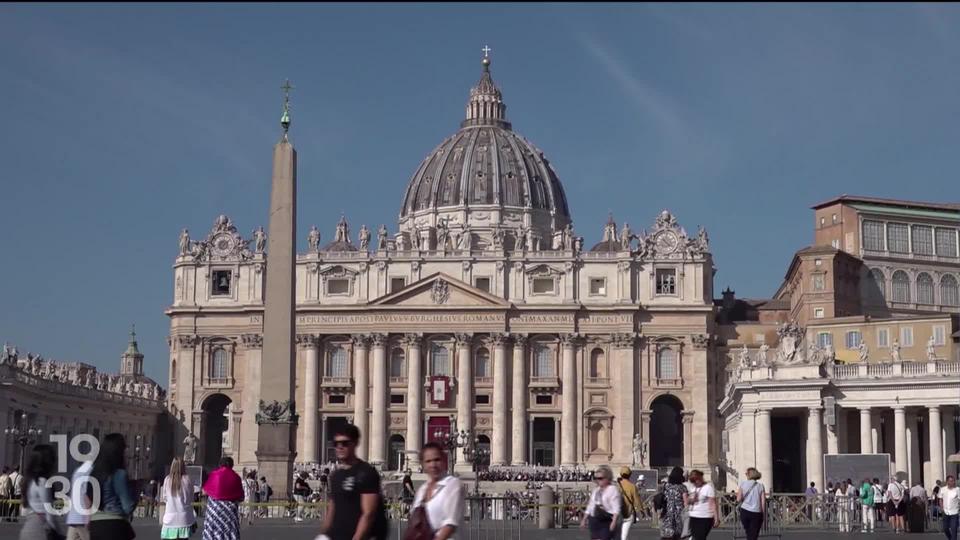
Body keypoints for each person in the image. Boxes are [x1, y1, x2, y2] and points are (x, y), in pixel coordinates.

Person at [319, 424, 388, 540]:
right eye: (336, 444)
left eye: (345, 443)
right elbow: (332, 508)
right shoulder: (336, 475)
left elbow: (368, 513)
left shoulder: (366, 473)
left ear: (355, 443)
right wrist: (323, 534)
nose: (339, 447)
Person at [405, 442, 464, 540]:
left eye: (437, 460)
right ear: (423, 465)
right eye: (428, 461)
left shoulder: (452, 485)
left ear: (443, 461)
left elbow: (450, 524)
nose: (433, 465)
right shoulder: (422, 490)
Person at [88, 433, 137, 540]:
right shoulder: (119, 474)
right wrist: (135, 491)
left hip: (95, 525)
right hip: (114, 525)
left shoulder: (94, 473)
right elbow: (128, 506)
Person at [19, 444, 66, 540]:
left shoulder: (29, 481)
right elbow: (49, 515)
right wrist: (59, 534)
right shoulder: (42, 482)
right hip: (40, 531)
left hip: (28, 528)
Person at [201, 456, 244, 540]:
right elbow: (241, 497)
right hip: (229, 514)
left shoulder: (214, 474)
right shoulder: (236, 477)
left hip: (214, 512)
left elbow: (204, 491)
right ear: (232, 465)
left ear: (220, 464)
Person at [580, 465, 621, 540]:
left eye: (600, 478)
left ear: (607, 479)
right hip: (594, 520)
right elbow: (590, 506)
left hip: (606, 520)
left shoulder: (612, 490)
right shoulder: (596, 490)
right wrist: (584, 519)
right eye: (596, 478)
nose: (598, 480)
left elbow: (616, 508)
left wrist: (614, 521)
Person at [160, 457, 197, 540]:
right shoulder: (188, 479)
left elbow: (165, 498)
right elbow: (191, 498)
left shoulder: (167, 479)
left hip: (170, 518)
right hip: (184, 518)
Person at [65, 458, 94, 540]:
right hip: (82, 517)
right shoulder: (89, 470)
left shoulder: (79, 470)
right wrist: (88, 517)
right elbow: (86, 495)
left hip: (74, 517)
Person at [686, 469, 718, 540]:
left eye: (695, 481)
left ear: (700, 478)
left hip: (705, 517)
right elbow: (687, 501)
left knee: (700, 537)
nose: (694, 483)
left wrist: (716, 518)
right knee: (695, 537)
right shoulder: (693, 488)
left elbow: (713, 504)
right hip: (693, 516)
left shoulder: (708, 488)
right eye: (692, 481)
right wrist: (691, 499)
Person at [736, 467, 766, 540]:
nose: (746, 475)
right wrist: (763, 514)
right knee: (753, 535)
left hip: (744, 511)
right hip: (756, 512)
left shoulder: (743, 484)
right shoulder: (760, 486)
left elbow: (738, 499)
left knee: (749, 533)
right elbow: (763, 502)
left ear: (749, 475)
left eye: (746, 474)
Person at [658, 466, 686, 540]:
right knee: (677, 535)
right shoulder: (682, 487)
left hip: (667, 512)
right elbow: (686, 502)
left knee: (667, 535)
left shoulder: (666, 486)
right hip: (679, 514)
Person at [615, 467, 640, 540]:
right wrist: (642, 510)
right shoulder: (633, 486)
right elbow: (637, 500)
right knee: (624, 536)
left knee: (621, 536)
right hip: (628, 514)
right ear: (630, 475)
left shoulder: (616, 486)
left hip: (618, 514)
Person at [941, 475, 958, 540]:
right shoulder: (943, 489)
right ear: (947, 482)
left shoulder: (957, 489)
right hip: (946, 512)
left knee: (954, 529)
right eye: (951, 481)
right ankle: (951, 538)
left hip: (954, 512)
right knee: (945, 528)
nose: (953, 482)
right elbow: (940, 499)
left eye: (953, 481)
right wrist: (942, 508)